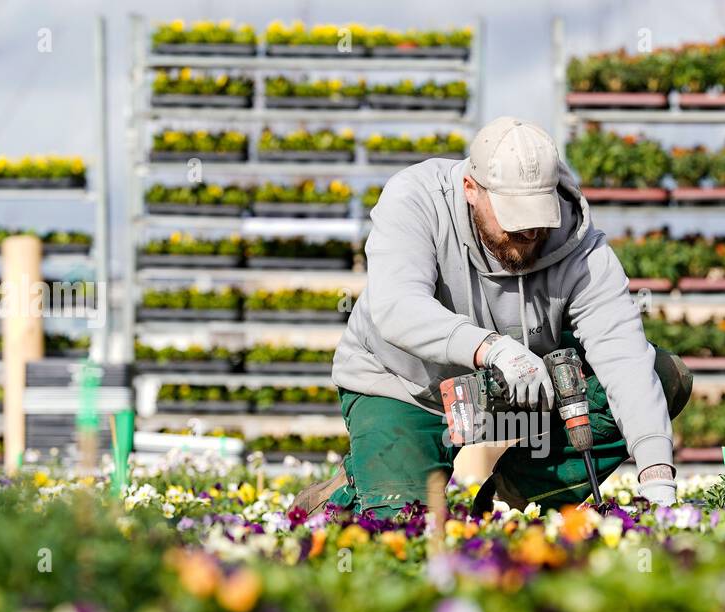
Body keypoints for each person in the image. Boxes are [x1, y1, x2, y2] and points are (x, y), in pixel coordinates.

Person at [294, 116, 691, 515]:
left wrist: (658, 478)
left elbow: (625, 359)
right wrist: (491, 348)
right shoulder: (414, 199)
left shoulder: (580, 246)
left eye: (538, 217)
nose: (530, 233)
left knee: (662, 373)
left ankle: (512, 499)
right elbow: (397, 306)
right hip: (406, 387)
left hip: (517, 390)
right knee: (400, 524)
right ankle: (350, 490)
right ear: (471, 189)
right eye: (514, 218)